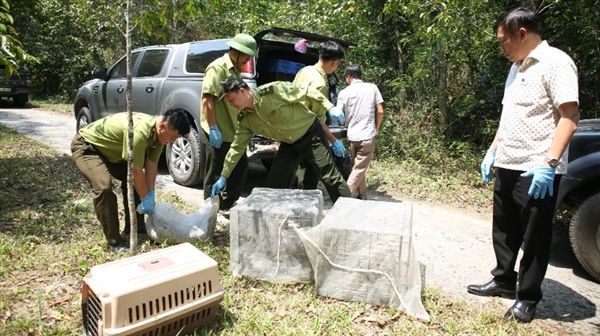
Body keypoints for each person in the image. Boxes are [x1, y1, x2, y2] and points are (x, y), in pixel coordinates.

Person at [468, 7, 580, 323]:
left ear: (522, 34)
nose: (501, 47)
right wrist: (492, 150)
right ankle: (504, 279)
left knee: (534, 235)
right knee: (504, 228)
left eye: (504, 41)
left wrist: (550, 163)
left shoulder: (556, 63)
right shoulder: (516, 67)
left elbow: (570, 117)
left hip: (537, 167)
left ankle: (527, 297)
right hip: (508, 161)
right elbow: (509, 115)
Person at [211, 76, 350, 203]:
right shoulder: (245, 119)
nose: (231, 104)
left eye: (231, 100)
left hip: (311, 135)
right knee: (276, 179)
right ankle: (282, 214)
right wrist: (224, 176)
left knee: (329, 176)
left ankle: (350, 213)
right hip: (289, 144)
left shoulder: (273, 92)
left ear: (242, 91)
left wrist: (330, 107)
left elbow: (307, 91)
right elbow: (236, 148)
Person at [71, 109, 191, 253]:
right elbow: (135, 171)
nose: (173, 141)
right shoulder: (139, 132)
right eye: (173, 137)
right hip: (89, 147)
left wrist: (150, 193)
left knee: (138, 185)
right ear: (162, 127)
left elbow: (151, 165)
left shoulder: (159, 136)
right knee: (104, 189)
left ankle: (136, 226)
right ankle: (114, 241)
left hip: (113, 153)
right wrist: (144, 197)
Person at [200, 33, 258, 213]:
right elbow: (207, 100)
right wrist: (213, 128)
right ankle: (209, 209)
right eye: (246, 56)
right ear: (236, 51)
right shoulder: (217, 68)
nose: (248, 60)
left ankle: (228, 205)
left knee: (240, 169)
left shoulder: (236, 70)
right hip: (217, 130)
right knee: (216, 172)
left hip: (233, 130)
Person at [292, 40, 347, 190]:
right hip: (308, 133)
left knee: (289, 169)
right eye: (339, 62)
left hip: (292, 128)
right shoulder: (320, 83)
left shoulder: (305, 71)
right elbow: (317, 120)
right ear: (334, 62)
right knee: (325, 170)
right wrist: (333, 140)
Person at [336, 64, 384, 200]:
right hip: (367, 135)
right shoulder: (372, 87)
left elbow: (338, 114)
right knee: (358, 168)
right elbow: (380, 111)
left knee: (357, 167)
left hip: (353, 136)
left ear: (348, 77)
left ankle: (362, 196)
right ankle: (344, 198)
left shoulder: (344, 92)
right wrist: (377, 128)